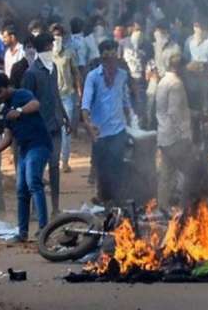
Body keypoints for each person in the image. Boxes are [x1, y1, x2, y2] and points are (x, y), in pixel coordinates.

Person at [0, 73, 52, 243]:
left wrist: (19, 111)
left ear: (7, 87)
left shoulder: (21, 94)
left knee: (33, 182)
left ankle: (44, 228)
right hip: (24, 149)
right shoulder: (5, 109)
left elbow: (35, 104)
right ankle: (22, 232)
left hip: (39, 144)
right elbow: (7, 138)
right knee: (21, 190)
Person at [22, 33, 70, 216]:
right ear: (43, 48)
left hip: (55, 124)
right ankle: (36, 209)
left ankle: (55, 207)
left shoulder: (53, 68)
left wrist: (64, 116)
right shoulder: (31, 73)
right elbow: (25, 101)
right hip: (39, 128)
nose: (52, 49)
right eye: (50, 46)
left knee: (54, 166)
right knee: (38, 168)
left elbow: (56, 94)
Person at [81, 40, 132, 204]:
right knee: (102, 169)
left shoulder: (122, 75)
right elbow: (86, 103)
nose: (111, 60)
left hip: (118, 129)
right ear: (102, 58)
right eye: (107, 56)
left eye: (113, 55)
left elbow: (124, 99)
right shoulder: (93, 77)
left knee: (117, 166)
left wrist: (131, 120)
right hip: (99, 132)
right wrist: (87, 123)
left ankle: (117, 201)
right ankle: (104, 200)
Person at [155, 53, 195, 210]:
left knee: (166, 174)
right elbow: (174, 113)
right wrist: (184, 134)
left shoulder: (164, 81)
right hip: (175, 137)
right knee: (189, 173)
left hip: (164, 134)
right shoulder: (176, 84)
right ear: (178, 67)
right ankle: (187, 208)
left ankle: (162, 208)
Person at [50, 23, 82, 173]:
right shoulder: (46, 54)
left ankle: (65, 161)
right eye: (54, 36)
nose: (57, 38)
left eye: (59, 35)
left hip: (67, 95)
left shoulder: (69, 53)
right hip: (51, 97)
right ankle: (53, 159)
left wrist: (79, 91)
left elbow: (75, 72)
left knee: (66, 130)